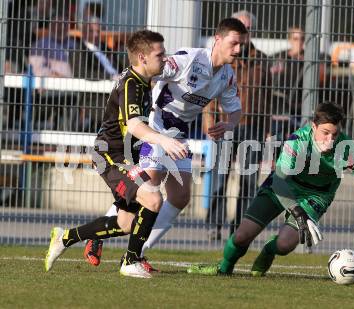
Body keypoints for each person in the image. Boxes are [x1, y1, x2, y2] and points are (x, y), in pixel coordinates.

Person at [83, 18, 247, 266]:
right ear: (218, 38)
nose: (238, 50)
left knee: (180, 197)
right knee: (149, 185)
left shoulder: (227, 76)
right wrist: (137, 99)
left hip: (179, 134)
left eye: (241, 45)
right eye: (234, 43)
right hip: (156, 126)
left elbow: (235, 109)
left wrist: (230, 124)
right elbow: (150, 71)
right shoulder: (188, 60)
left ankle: (138, 250)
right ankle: (100, 239)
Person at [44, 29, 189, 279]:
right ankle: (130, 262)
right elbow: (134, 125)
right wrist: (164, 141)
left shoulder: (144, 81)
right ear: (142, 57)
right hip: (110, 156)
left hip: (124, 157)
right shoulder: (132, 84)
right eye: (160, 54)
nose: (165, 58)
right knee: (153, 201)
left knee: (125, 223)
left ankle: (65, 238)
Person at [187, 102, 354, 276]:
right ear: (313, 127)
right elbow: (279, 181)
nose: (330, 140)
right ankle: (224, 269)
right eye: (325, 133)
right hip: (281, 187)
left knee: (285, 245)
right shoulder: (297, 141)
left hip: (315, 196)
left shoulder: (347, 148)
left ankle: (268, 251)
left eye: (335, 134)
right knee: (241, 236)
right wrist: (297, 211)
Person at [203, 11, 271, 240]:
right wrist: (209, 120)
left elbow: (268, 97)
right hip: (224, 124)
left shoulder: (261, 59)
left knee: (248, 179)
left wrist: (267, 130)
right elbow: (209, 93)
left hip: (253, 126)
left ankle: (240, 226)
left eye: (246, 28)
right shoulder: (221, 60)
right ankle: (215, 224)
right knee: (220, 175)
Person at [270, 27, 305, 140]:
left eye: (302, 39)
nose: (299, 42)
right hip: (280, 107)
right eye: (295, 39)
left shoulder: (309, 60)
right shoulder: (281, 57)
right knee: (277, 140)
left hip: (299, 108)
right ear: (290, 40)